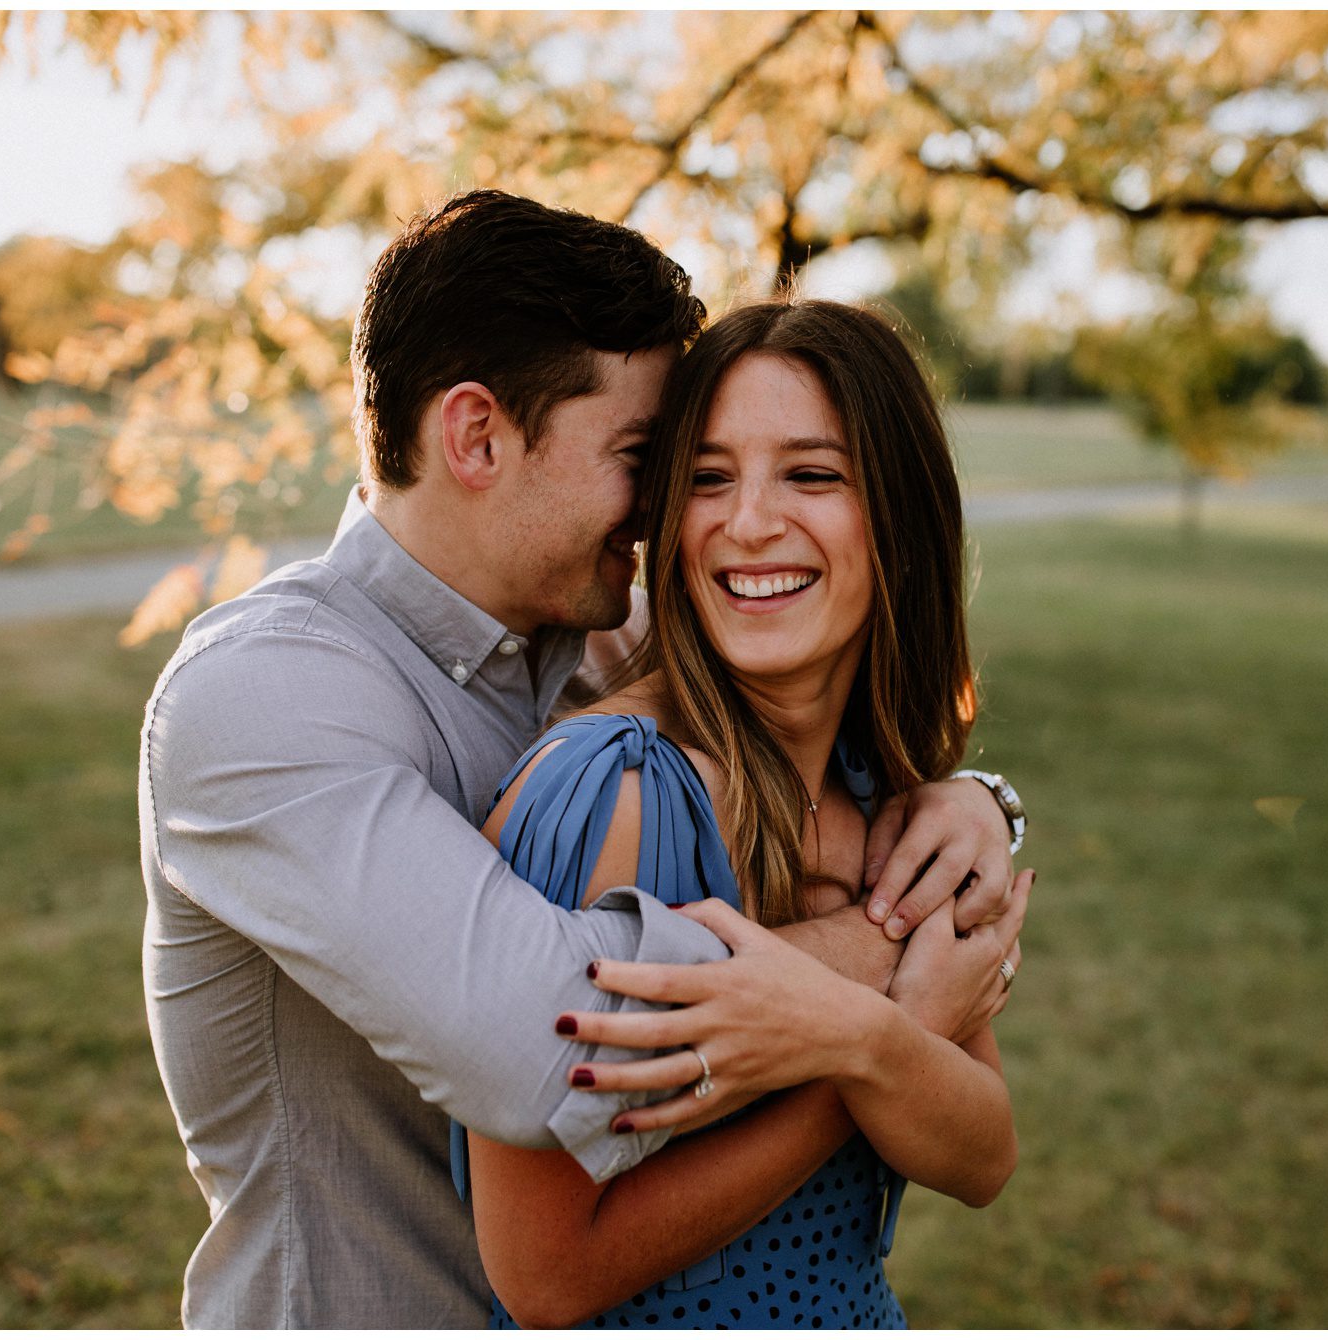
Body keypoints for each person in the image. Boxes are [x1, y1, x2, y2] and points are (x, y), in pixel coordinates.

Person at [139, 192, 1028, 1327]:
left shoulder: (602, 631)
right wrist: (898, 957)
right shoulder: (262, 698)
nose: (672, 512)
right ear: (475, 435)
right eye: (645, 459)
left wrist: (971, 804)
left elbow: (820, 702)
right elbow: (552, 1042)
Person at [455, 298, 1030, 1329]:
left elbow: (983, 1155)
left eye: (811, 474)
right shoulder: (614, 795)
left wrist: (869, 1042)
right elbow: (543, 1273)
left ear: (897, 515)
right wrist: (872, 1040)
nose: (749, 521)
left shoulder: (885, 797)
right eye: (708, 478)